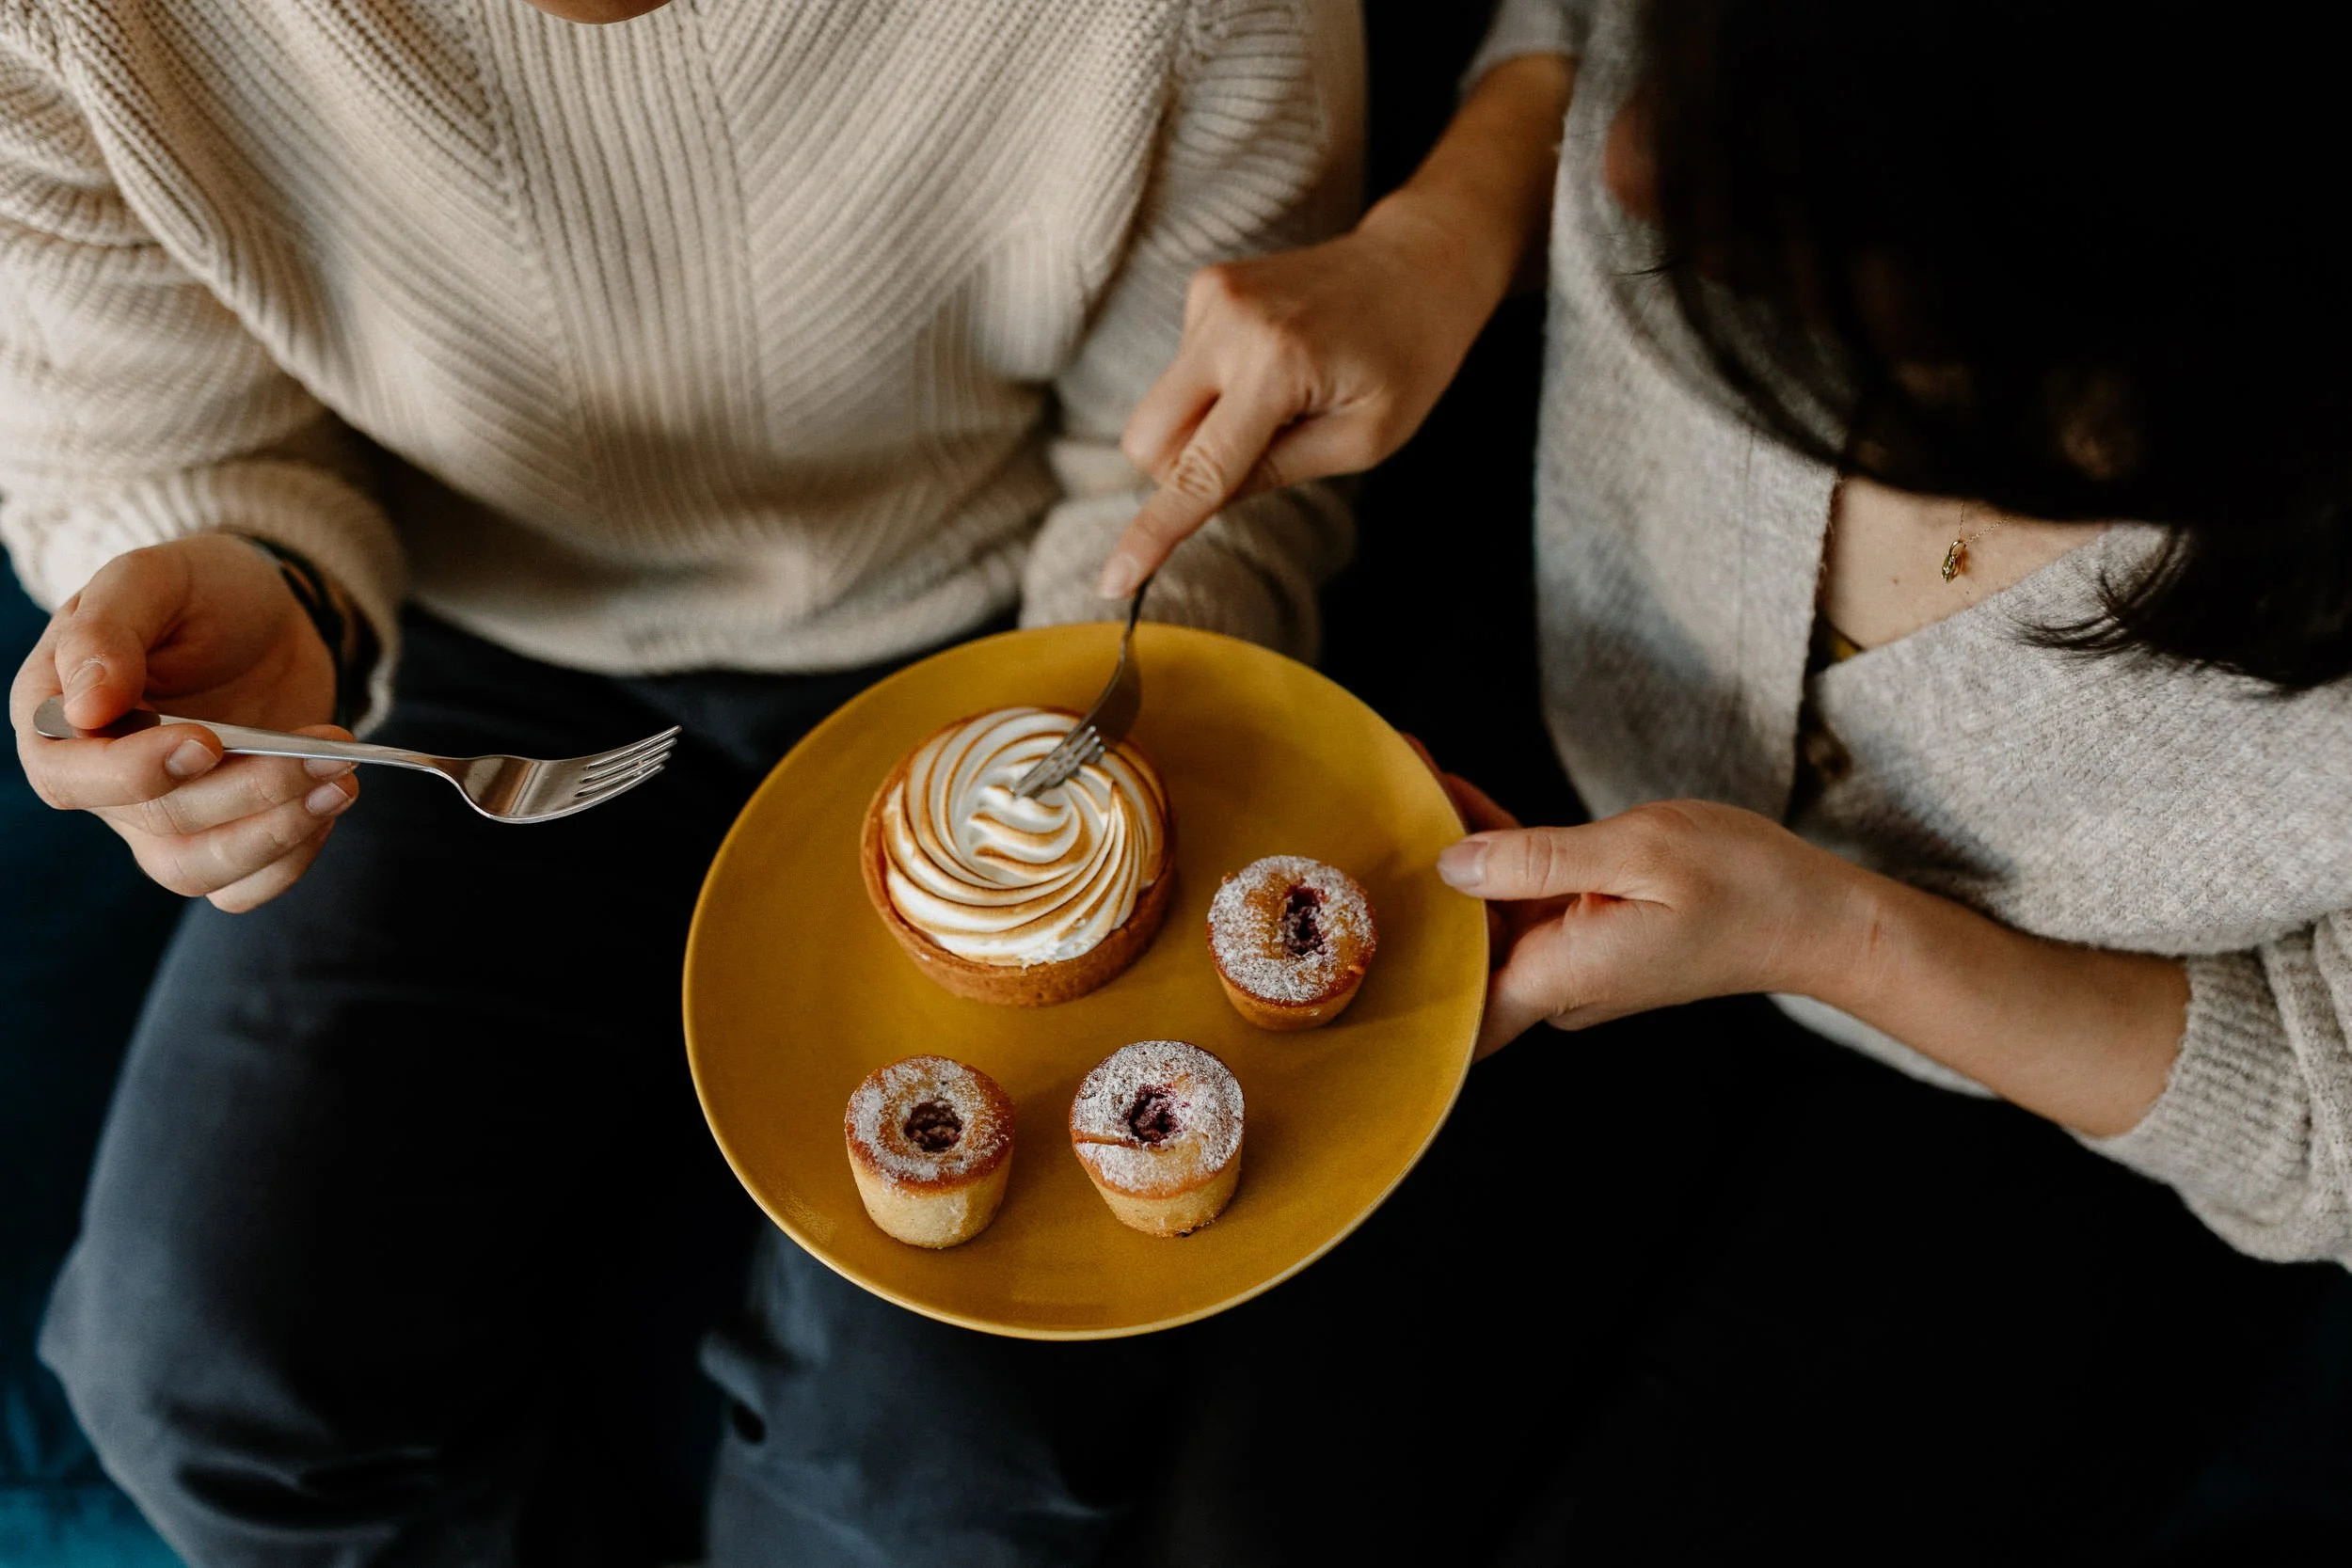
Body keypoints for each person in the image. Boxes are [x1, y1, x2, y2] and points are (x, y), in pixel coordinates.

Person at [1, 0, 1359, 1561]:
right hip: (466, 657)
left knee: (933, 1479)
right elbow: (145, 426)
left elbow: (1208, 458)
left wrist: (1077, 782)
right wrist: (268, 583)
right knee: (203, 1381)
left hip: (1002, 658)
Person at [1089, 0, 2352, 1547]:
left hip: (2079, 1120)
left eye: (1784, 185)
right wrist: (1457, 213)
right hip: (1563, 757)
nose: (1618, 174)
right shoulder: (1642, 135)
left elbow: (2328, 1119)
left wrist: (1835, 933)